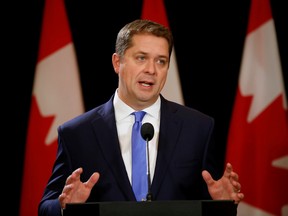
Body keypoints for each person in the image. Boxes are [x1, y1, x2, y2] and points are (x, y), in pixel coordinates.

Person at [38, 19, 244, 216]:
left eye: (161, 61)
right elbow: (45, 207)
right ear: (117, 63)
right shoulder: (77, 133)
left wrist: (222, 205)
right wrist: (64, 206)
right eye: (141, 58)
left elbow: (206, 205)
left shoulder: (198, 128)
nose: (151, 70)